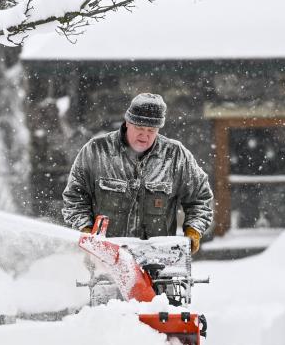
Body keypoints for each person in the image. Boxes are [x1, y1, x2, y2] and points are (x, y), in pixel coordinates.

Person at [61, 93, 214, 253]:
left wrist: (193, 230)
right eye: (139, 128)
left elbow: (200, 199)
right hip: (106, 259)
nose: (145, 135)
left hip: (159, 261)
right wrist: (85, 228)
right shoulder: (96, 151)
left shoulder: (175, 156)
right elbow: (74, 198)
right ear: (127, 122)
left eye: (151, 130)